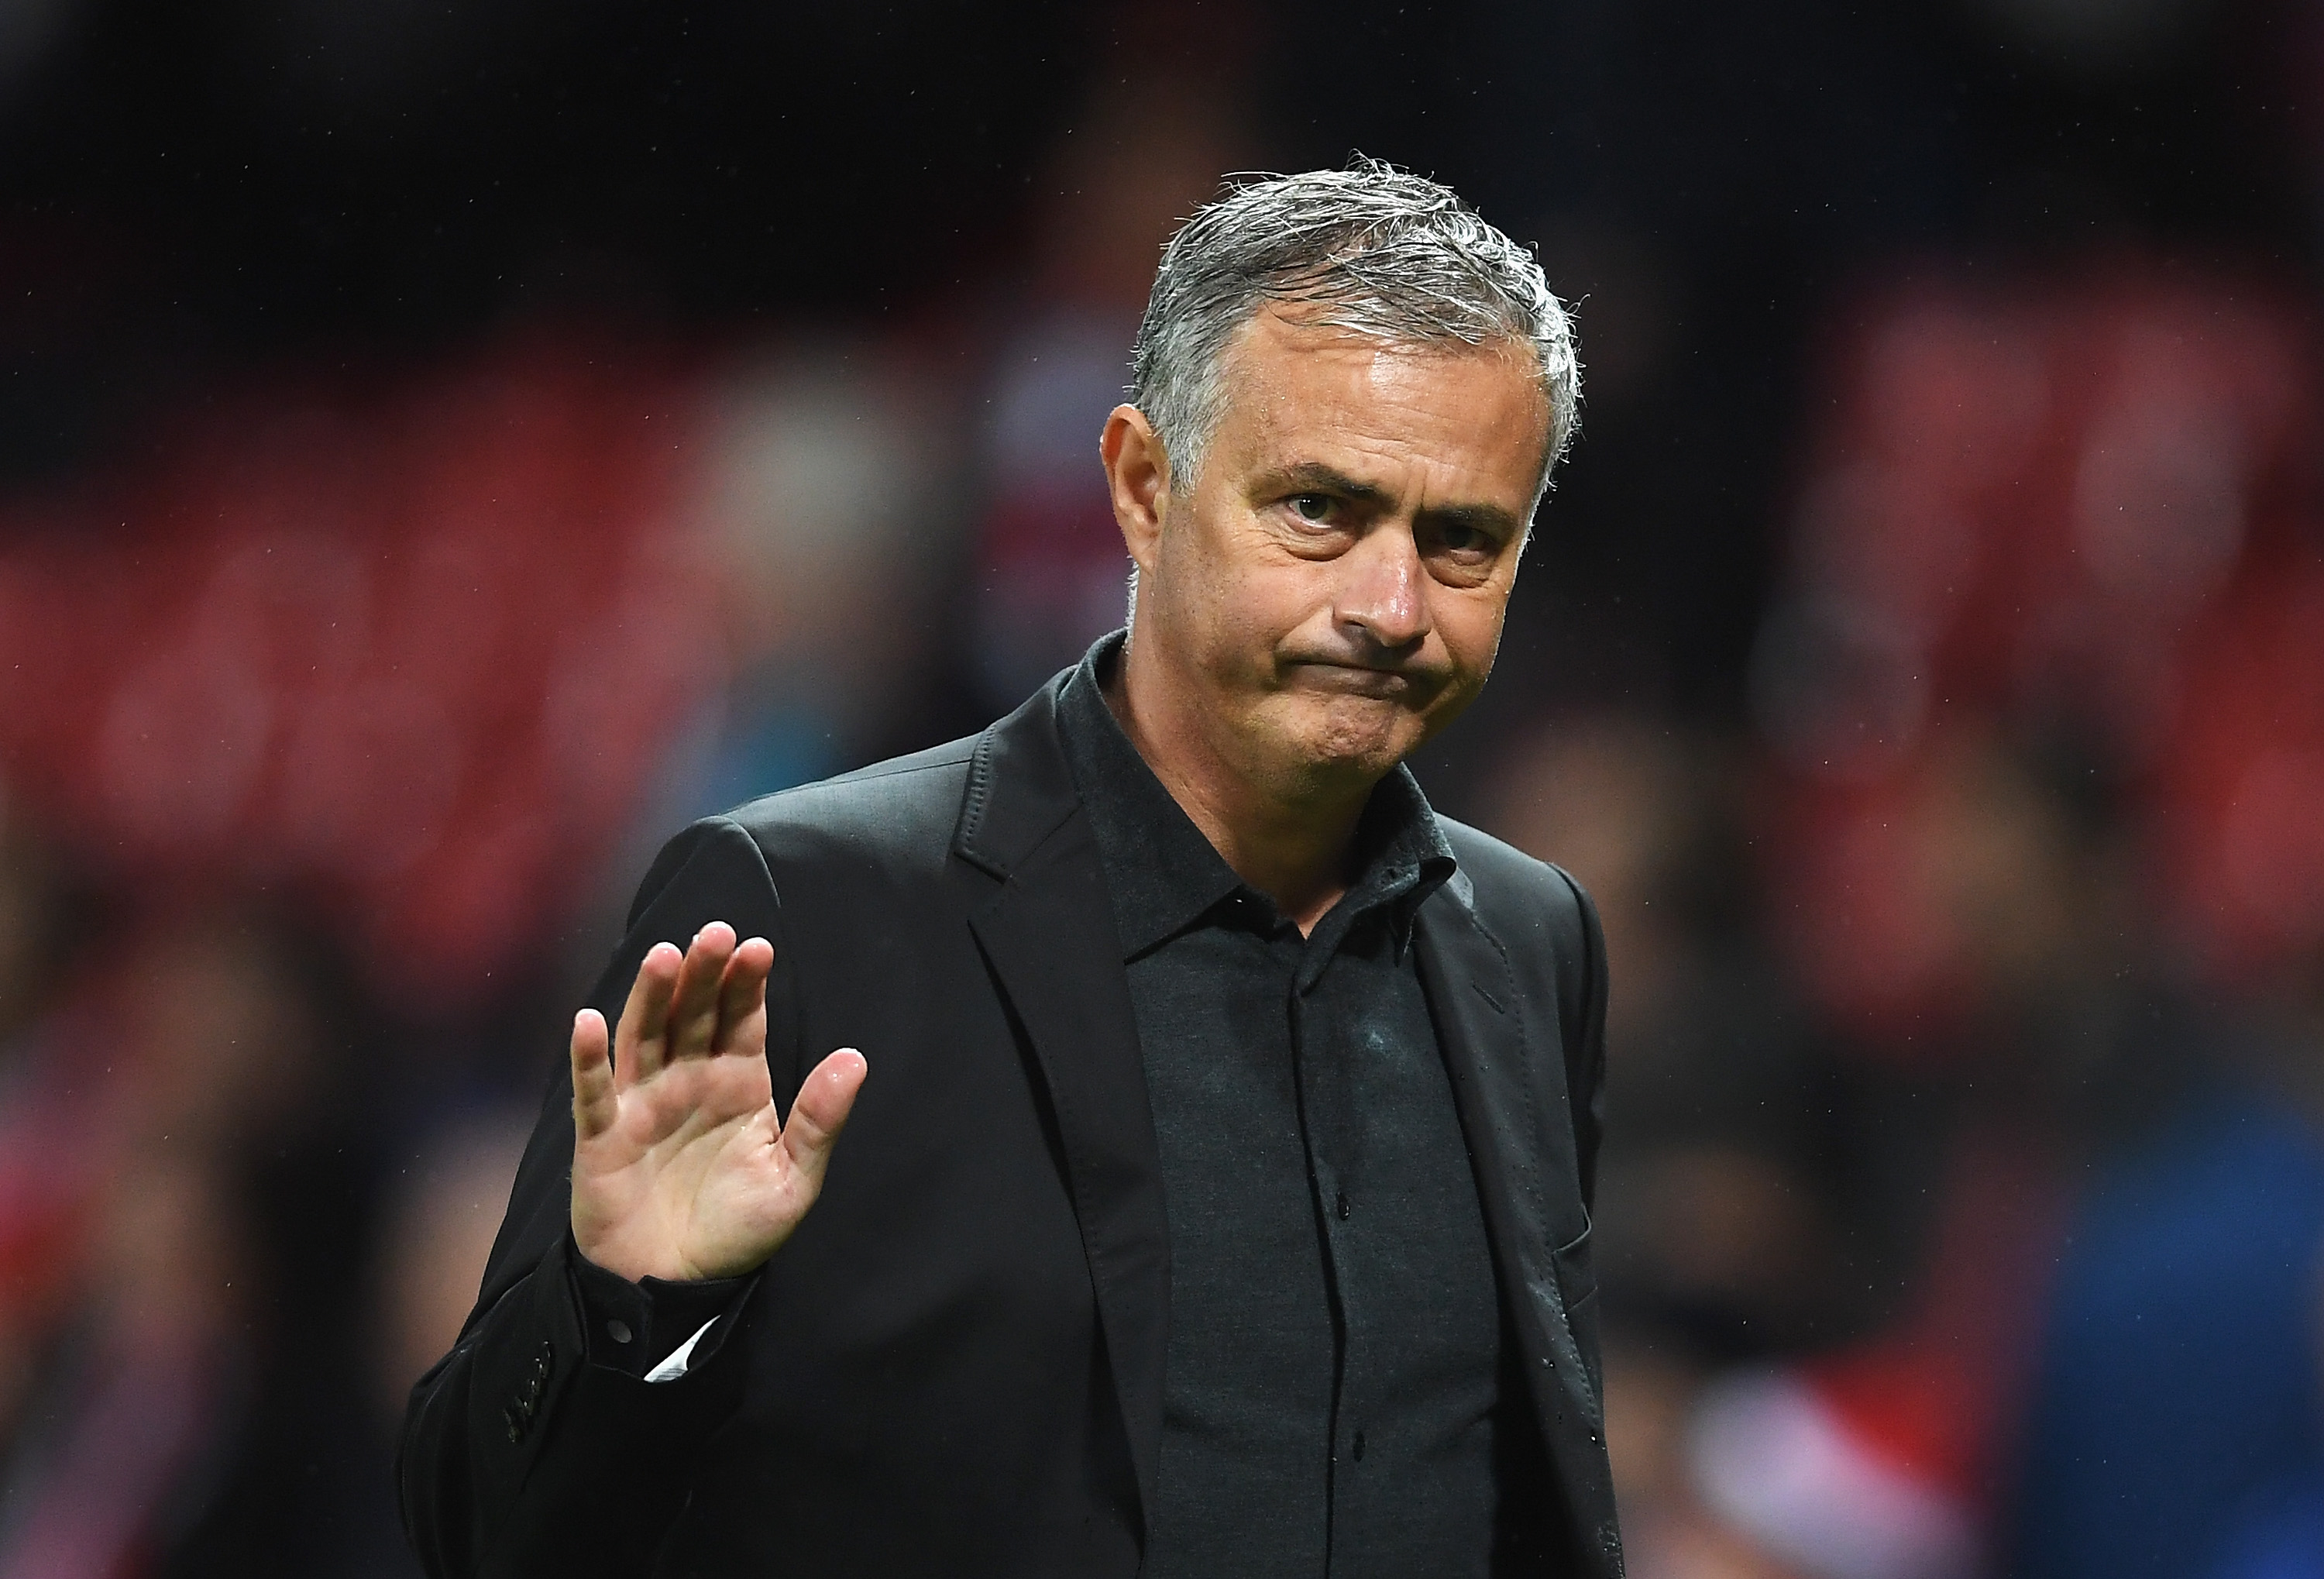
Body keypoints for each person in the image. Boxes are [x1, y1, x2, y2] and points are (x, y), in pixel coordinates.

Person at [399, 160, 1620, 1579]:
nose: (1391, 605)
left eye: (1462, 538)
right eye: (1320, 513)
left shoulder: (1534, 943)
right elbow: (479, 1541)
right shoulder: (800, 912)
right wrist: (633, 1313)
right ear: (1143, 489)